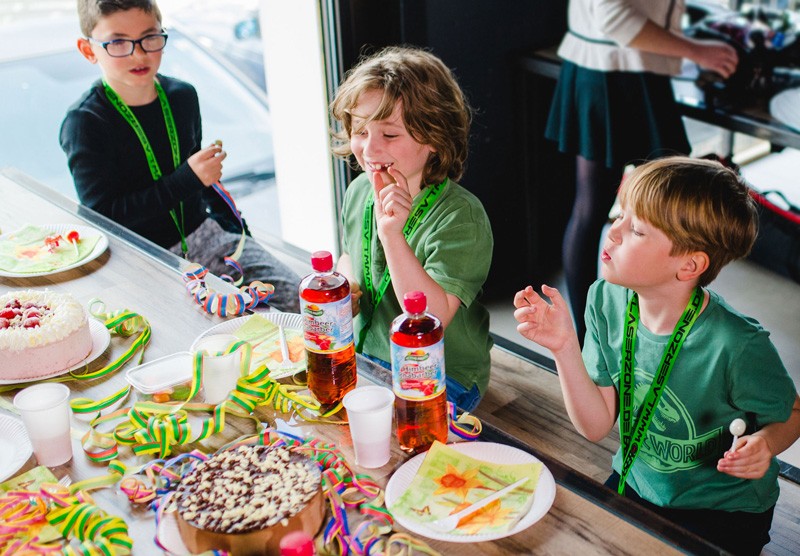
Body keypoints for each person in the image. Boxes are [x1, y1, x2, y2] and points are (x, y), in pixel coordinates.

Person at [513, 157, 800, 555]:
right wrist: (564, 348)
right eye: (620, 215)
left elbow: (791, 413)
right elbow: (596, 426)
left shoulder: (738, 344)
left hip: (726, 511)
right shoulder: (604, 299)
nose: (611, 233)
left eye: (635, 230)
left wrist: (766, 444)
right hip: (638, 482)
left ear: (689, 265)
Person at [60, 0, 299, 312]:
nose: (139, 53)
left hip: (204, 235)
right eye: (118, 42)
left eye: (150, 37)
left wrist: (243, 238)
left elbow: (204, 187)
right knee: (211, 333)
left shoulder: (182, 96)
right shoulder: (86, 122)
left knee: (301, 302)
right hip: (143, 258)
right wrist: (188, 178)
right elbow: (106, 217)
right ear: (89, 49)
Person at [545, 0, 740, 341]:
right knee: (671, 204)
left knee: (598, 207)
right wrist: (697, 51)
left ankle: (596, 334)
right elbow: (614, 16)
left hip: (606, 66)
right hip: (620, 70)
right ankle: (633, 331)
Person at [330, 46, 494, 412]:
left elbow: (430, 317)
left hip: (442, 374)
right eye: (360, 131)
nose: (370, 149)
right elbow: (348, 254)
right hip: (369, 355)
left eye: (389, 135)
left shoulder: (461, 216)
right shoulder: (359, 191)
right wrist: (347, 287)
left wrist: (391, 234)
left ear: (434, 137)